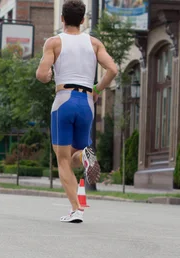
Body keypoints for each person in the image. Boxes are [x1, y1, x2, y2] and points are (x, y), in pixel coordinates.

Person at [35, 0, 118, 223]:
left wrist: (48, 74)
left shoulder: (53, 43)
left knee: (62, 160)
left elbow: (42, 75)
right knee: (76, 154)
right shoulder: (94, 43)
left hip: (64, 100)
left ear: (62, 18)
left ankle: (76, 210)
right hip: (86, 102)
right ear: (83, 20)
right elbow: (113, 69)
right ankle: (85, 155)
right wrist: (98, 88)